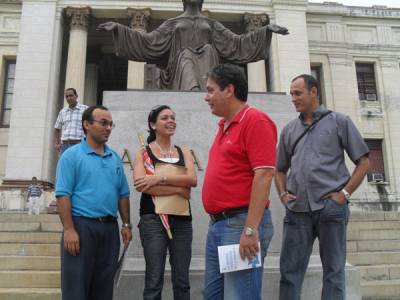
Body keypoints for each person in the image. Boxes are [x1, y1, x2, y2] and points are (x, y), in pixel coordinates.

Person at [275, 74, 370, 300]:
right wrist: (282, 194)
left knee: (334, 273)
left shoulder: (340, 121)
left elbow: (364, 162)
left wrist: (344, 194)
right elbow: (279, 169)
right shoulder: (289, 130)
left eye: (298, 93)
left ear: (314, 92)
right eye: (291, 94)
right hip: (297, 211)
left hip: (331, 209)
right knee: (289, 274)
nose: (293, 98)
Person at [202, 64, 277, 299]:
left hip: (240, 224)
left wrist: (250, 229)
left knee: (240, 296)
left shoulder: (256, 121)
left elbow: (264, 175)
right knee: (212, 295)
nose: (207, 97)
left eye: (211, 90)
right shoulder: (223, 125)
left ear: (229, 90)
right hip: (218, 225)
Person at [97, 0, 288, 91]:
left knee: (207, 49)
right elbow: (148, 41)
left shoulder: (212, 24)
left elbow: (236, 43)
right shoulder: (173, 23)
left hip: (208, 64)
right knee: (186, 54)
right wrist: (119, 29)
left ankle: (208, 88)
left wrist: (266, 30)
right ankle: (194, 90)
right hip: (178, 68)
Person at [55, 105, 132, 300]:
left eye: (110, 124)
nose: (108, 128)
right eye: (103, 123)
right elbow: (63, 195)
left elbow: (123, 193)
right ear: (86, 125)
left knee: (104, 288)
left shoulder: (114, 158)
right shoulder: (71, 156)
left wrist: (126, 224)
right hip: (81, 228)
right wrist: (69, 230)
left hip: (109, 230)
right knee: (76, 289)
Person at [133, 105, 197, 300]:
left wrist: (158, 179)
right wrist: (179, 188)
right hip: (153, 220)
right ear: (153, 124)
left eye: (173, 117)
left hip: (182, 221)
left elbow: (192, 180)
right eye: (165, 118)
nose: (171, 120)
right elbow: (142, 186)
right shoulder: (143, 153)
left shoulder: (184, 151)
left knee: (182, 280)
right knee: (154, 280)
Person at [54, 88, 88, 154]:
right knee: (65, 164)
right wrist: (56, 144)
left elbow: (91, 126)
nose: (69, 98)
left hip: (80, 144)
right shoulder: (62, 111)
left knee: (79, 164)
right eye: (67, 96)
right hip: (65, 146)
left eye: (71, 95)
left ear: (76, 96)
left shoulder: (85, 109)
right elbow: (57, 129)